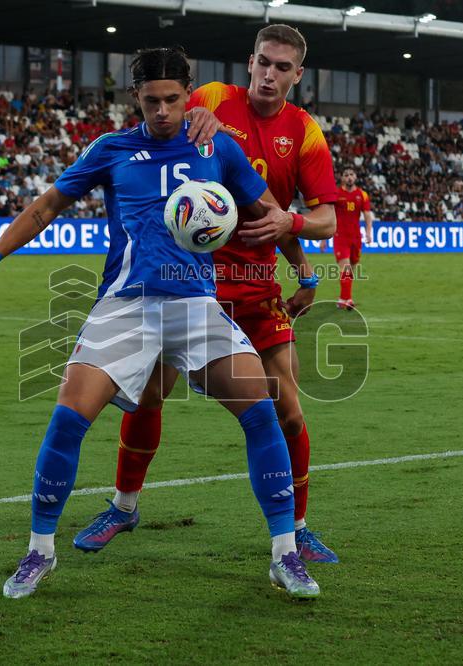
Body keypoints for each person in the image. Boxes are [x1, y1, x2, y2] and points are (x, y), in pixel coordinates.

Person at [0, 47, 323, 599]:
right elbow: (46, 206)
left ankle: (284, 555)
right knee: (66, 421)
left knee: (262, 413)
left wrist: (303, 269)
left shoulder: (217, 145)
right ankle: (39, 551)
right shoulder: (111, 149)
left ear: (189, 94)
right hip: (125, 306)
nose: (161, 111)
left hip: (197, 307)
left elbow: (269, 213)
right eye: (151, 101)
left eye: (172, 100)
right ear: (136, 98)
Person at [74, 24, 341, 564]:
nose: (270, 74)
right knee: (150, 394)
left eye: (283, 67)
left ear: (298, 75)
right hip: (188, 283)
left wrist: (304, 269)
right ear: (250, 62)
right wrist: (200, 116)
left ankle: (298, 526)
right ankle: (124, 507)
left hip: (258, 287)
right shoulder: (211, 100)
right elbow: (158, 121)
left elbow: (320, 218)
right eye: (263, 62)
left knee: (286, 407)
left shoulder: (306, 133)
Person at [333, 167, 373, 308]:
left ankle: (342, 299)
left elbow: (367, 215)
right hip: (340, 237)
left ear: (355, 177)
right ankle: (348, 300)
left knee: (352, 270)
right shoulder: (336, 193)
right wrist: (324, 238)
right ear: (342, 178)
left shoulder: (362, 195)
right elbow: (329, 215)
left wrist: (368, 232)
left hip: (356, 237)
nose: (349, 177)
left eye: (351, 174)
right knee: (346, 268)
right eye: (346, 175)